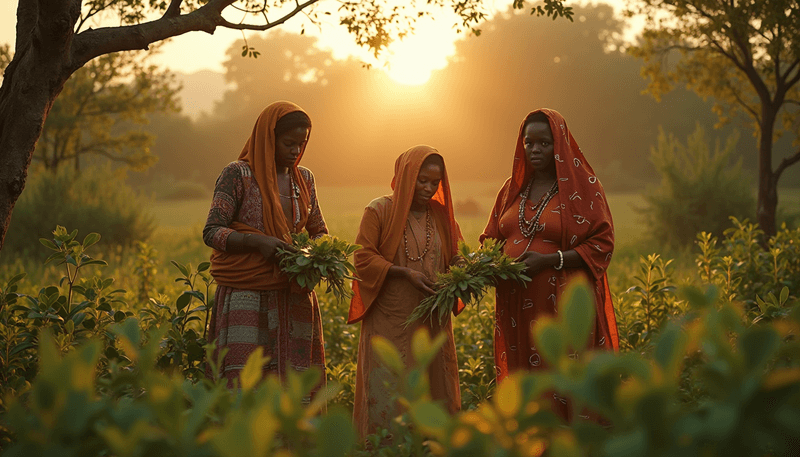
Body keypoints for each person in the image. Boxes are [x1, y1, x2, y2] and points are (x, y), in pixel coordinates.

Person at [480, 108, 619, 420]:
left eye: (544, 143)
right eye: (529, 143)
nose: (535, 150)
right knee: (528, 386)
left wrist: (548, 261)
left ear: (560, 145)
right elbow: (490, 239)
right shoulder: (510, 190)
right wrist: (486, 266)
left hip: (562, 305)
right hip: (517, 305)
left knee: (563, 377)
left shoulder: (582, 189)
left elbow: (602, 243)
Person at [202, 101, 328, 398]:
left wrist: (313, 254)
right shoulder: (238, 175)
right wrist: (257, 242)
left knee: (294, 389)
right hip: (246, 295)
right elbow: (212, 231)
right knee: (245, 384)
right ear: (268, 138)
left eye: (302, 144)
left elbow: (319, 230)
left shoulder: (304, 179)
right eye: (289, 143)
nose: (296, 151)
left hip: (293, 295)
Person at [348, 145, 463, 440]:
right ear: (404, 177)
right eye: (421, 180)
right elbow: (362, 257)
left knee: (433, 386)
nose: (427, 188)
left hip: (432, 319)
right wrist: (403, 273)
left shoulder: (441, 217)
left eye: (434, 182)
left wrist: (464, 273)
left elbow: (456, 255)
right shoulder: (379, 210)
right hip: (390, 319)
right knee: (390, 388)